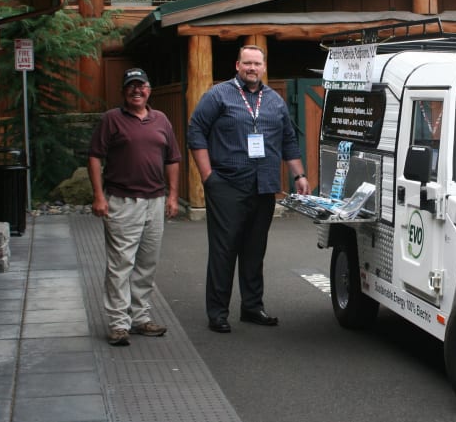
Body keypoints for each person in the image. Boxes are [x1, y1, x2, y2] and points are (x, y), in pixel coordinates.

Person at [187, 45, 310, 333]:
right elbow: (196, 131)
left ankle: (252, 307)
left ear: (264, 67)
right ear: (237, 65)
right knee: (224, 250)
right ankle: (218, 312)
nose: (252, 68)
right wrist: (208, 176)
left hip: (264, 186)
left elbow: (288, 141)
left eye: (257, 63)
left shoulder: (275, 101)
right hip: (227, 185)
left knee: (255, 250)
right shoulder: (219, 95)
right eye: (247, 63)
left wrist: (299, 175)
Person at [88, 68, 181, 347]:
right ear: (123, 91)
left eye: (141, 86)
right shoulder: (111, 120)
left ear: (149, 90)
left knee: (146, 264)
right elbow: (94, 157)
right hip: (122, 201)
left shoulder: (161, 120)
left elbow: (172, 159)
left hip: (154, 201)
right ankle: (118, 323)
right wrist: (98, 196)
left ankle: (140, 318)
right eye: (131, 86)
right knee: (120, 265)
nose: (136, 91)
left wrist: (173, 196)